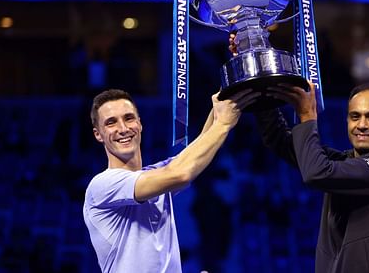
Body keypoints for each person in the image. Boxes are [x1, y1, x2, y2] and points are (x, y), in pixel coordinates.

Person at [83, 88, 258, 273]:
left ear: (140, 124)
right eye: (111, 123)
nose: (123, 128)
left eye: (128, 118)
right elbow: (182, 173)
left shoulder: (156, 175)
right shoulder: (102, 185)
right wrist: (222, 124)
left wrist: (224, 95)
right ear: (98, 134)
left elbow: (197, 151)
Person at [255, 82, 369, 273]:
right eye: (355, 117)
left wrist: (307, 116)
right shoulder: (343, 164)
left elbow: (316, 173)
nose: (362, 125)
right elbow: (279, 140)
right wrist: (261, 84)